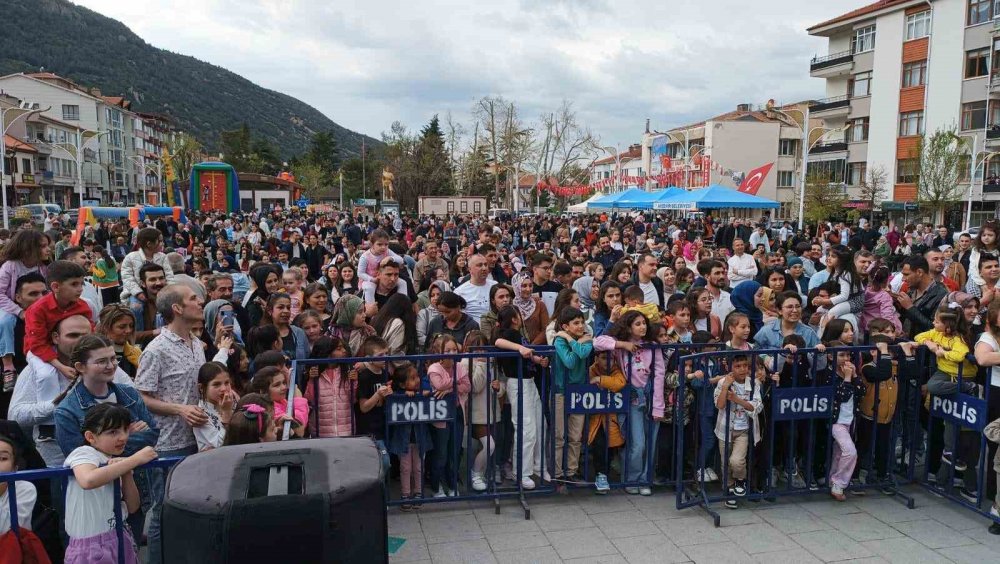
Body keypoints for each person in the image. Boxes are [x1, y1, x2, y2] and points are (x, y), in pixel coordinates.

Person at [134, 284, 207, 564]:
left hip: (198, 438)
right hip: (168, 444)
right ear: (177, 308)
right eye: (193, 298)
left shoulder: (195, 342)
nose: (200, 302)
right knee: (162, 511)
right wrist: (179, 409)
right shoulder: (156, 350)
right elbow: (142, 396)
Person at [63, 403, 158, 564]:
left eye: (125, 430)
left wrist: (126, 471)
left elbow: (133, 506)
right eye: (113, 432)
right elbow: (87, 480)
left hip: (119, 535)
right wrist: (135, 460)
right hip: (89, 545)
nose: (123, 437)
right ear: (91, 437)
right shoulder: (84, 452)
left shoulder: (115, 461)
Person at [594, 311, 664, 496]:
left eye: (644, 323)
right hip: (632, 398)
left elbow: (659, 375)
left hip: (650, 397)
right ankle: (632, 479)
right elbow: (598, 342)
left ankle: (645, 480)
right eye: (637, 324)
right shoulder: (621, 346)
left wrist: (658, 406)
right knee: (637, 443)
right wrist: (622, 344)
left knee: (651, 442)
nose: (642, 327)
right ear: (628, 327)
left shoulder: (653, 346)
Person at [492, 305, 550, 489]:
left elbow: (525, 353)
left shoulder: (518, 335)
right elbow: (498, 342)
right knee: (526, 429)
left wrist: (536, 359)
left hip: (529, 381)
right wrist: (520, 348)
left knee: (540, 425)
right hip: (517, 383)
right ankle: (522, 472)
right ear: (514, 319)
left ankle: (538, 466)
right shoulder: (508, 334)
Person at [915, 303, 977, 472]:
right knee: (948, 416)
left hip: (960, 376)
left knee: (935, 390)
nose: (933, 323)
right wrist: (930, 344)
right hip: (944, 374)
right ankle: (949, 451)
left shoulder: (958, 339)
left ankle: (967, 386)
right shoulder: (936, 333)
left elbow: (959, 355)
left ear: (947, 325)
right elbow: (919, 336)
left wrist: (943, 353)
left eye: (936, 321)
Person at [0, 230, 49, 384]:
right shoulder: (10, 266)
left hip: (36, 306)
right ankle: (8, 365)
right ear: (28, 248)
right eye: (42, 246)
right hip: (10, 306)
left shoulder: (42, 267)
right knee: (5, 322)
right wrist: (19, 311)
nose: (48, 249)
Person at [714, 354, 762, 509]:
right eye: (737, 366)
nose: (742, 369)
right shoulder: (723, 382)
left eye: (745, 366)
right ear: (730, 368)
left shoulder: (754, 383)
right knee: (725, 463)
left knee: (737, 460)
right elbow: (720, 405)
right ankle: (729, 490)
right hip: (724, 429)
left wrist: (736, 399)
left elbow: (755, 407)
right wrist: (725, 387)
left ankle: (740, 481)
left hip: (743, 430)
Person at [551, 307, 593, 481]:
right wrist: (575, 342)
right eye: (576, 323)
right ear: (565, 326)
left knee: (576, 436)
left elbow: (583, 352)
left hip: (579, 391)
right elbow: (569, 362)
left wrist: (572, 340)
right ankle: (557, 473)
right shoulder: (559, 341)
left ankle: (571, 472)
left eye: (582, 322)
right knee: (559, 435)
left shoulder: (585, 338)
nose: (581, 326)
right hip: (560, 391)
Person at [426, 335, 471, 497]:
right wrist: (456, 383)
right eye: (448, 350)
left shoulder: (459, 366)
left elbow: (468, 386)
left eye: (454, 349)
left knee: (455, 451)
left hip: (457, 412)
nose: (452, 353)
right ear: (439, 352)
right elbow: (438, 385)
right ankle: (436, 485)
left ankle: (452, 484)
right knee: (441, 453)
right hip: (441, 415)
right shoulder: (434, 368)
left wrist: (450, 388)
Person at [386, 364, 432, 510]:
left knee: (418, 467)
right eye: (412, 378)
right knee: (405, 468)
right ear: (401, 384)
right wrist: (403, 394)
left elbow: (431, 392)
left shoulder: (422, 391)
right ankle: (405, 494)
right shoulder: (397, 395)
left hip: (419, 438)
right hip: (403, 439)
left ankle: (418, 492)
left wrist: (424, 394)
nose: (417, 380)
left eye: (417, 376)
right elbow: (390, 397)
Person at [828, 343, 865, 501]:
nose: (846, 358)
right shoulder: (829, 375)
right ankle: (839, 483)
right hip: (836, 421)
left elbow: (862, 392)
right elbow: (841, 396)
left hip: (851, 419)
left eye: (848, 355)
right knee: (850, 452)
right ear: (831, 357)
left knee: (839, 453)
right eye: (842, 355)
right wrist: (848, 378)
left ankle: (832, 480)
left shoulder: (850, 372)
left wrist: (855, 376)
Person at [893, 255, 947, 339]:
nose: (903, 279)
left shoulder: (942, 295)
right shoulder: (911, 291)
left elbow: (935, 329)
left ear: (919, 272)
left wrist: (910, 307)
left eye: (906, 274)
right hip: (907, 343)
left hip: (925, 345)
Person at [249, 366, 308, 438]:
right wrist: (298, 399)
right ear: (263, 391)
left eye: (284, 382)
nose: (284, 387)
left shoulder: (280, 400)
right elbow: (299, 431)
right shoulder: (270, 410)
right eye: (277, 385)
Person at [120, 227, 175, 302]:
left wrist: (169, 290)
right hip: (135, 293)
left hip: (160, 291)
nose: (163, 243)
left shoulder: (163, 257)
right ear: (149, 244)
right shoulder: (130, 257)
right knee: (136, 306)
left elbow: (169, 276)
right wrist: (137, 292)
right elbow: (127, 277)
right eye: (160, 241)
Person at [131, 263, 168, 346]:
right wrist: (153, 332)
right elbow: (129, 336)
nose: (158, 283)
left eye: (161, 278)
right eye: (152, 279)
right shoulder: (137, 305)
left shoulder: (173, 299)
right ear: (143, 283)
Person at [454, 254, 496, 323]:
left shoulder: (495, 285)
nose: (484, 268)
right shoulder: (459, 292)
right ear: (470, 269)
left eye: (486, 265)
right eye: (479, 265)